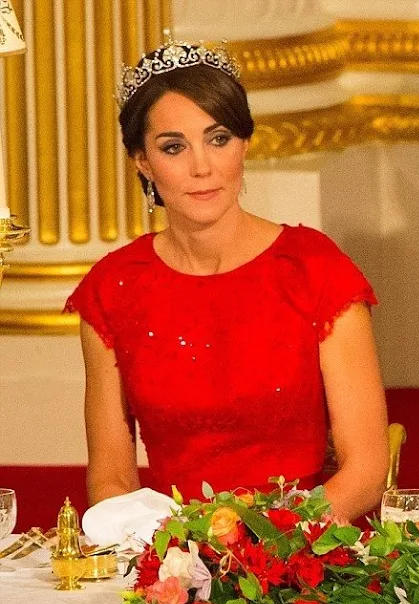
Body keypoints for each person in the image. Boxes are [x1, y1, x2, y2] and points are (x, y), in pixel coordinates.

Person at [65, 36, 389, 522]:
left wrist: (270, 542)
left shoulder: (315, 270)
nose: (202, 167)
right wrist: (170, 557)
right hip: (174, 566)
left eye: (219, 139)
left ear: (244, 144)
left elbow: (365, 470)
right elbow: (111, 478)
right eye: (174, 147)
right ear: (143, 163)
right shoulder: (112, 289)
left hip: (304, 556)